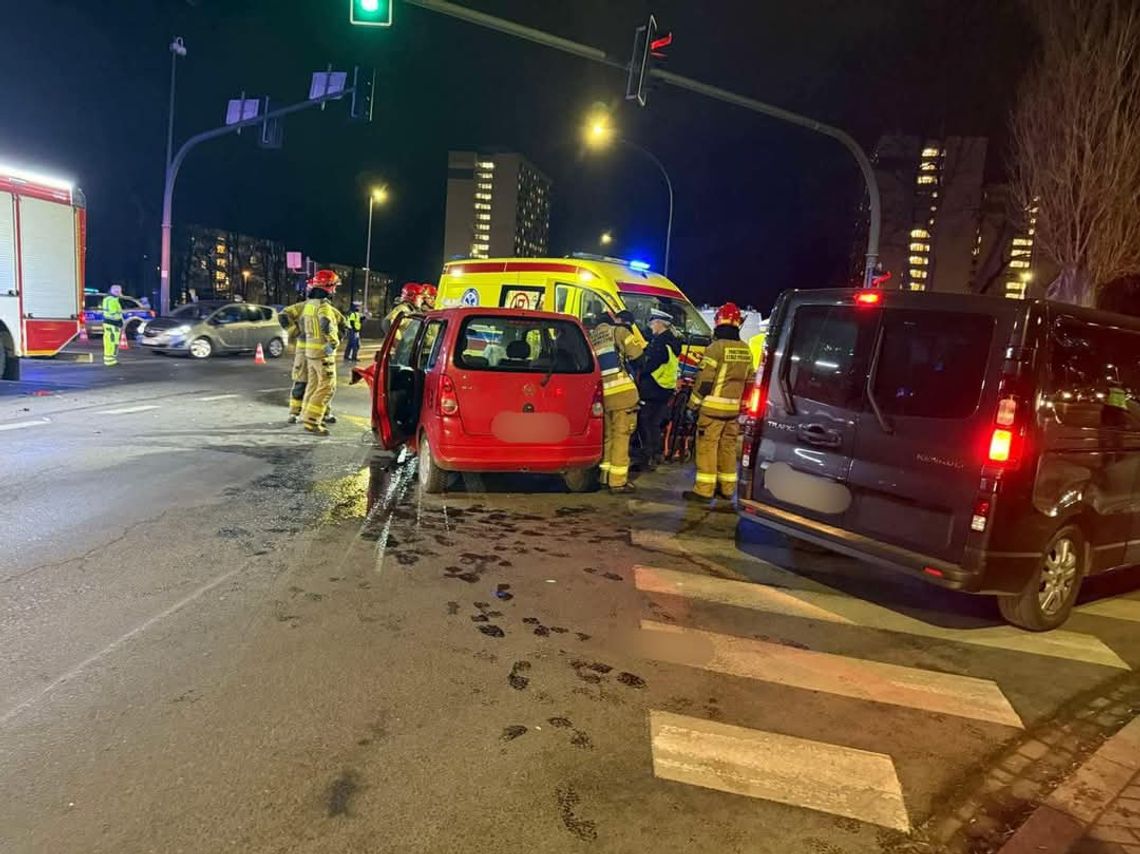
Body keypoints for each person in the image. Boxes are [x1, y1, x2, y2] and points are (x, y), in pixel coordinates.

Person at [683, 302, 753, 503]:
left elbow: (704, 381)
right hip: (733, 411)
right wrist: (743, 406)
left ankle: (704, 490)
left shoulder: (715, 348)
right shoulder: (745, 349)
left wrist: (692, 405)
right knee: (728, 448)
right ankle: (727, 488)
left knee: (707, 447)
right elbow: (749, 381)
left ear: (718, 323)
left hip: (712, 409)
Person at [588, 311, 645, 494]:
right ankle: (618, 481)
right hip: (623, 394)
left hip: (602, 396)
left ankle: (604, 476)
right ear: (611, 322)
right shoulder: (618, 332)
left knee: (608, 437)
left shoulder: (591, 338)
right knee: (622, 437)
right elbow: (638, 356)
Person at [635, 308, 682, 471]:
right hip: (665, 388)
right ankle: (656, 454)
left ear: (660, 324)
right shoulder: (672, 342)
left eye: (653, 323)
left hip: (653, 387)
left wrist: (639, 365)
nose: (651, 326)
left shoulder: (660, 343)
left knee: (645, 422)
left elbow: (649, 365)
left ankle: (648, 457)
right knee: (654, 423)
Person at [299, 269, 343, 436]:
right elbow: (325, 324)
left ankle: (306, 414)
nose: (335, 290)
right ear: (328, 287)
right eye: (334, 286)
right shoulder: (324, 306)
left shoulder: (309, 304)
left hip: (310, 351)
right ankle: (312, 421)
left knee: (313, 385)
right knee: (327, 387)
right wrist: (333, 342)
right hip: (322, 353)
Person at [101, 285, 124, 366]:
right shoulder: (113, 300)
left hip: (108, 323)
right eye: (119, 291)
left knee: (108, 342)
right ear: (116, 291)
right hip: (113, 324)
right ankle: (110, 360)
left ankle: (109, 359)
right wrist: (121, 313)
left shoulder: (107, 299)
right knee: (113, 342)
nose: (120, 293)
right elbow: (114, 312)